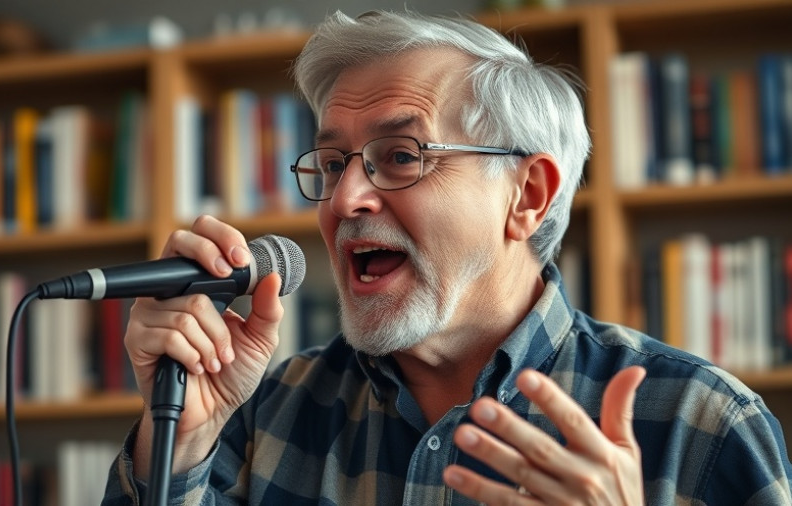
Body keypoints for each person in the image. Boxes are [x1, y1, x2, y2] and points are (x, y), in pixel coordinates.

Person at [103, 10, 792, 505]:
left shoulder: (702, 424)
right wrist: (183, 438)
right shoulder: (262, 412)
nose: (344, 201)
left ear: (527, 195)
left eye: (401, 156)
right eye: (333, 162)